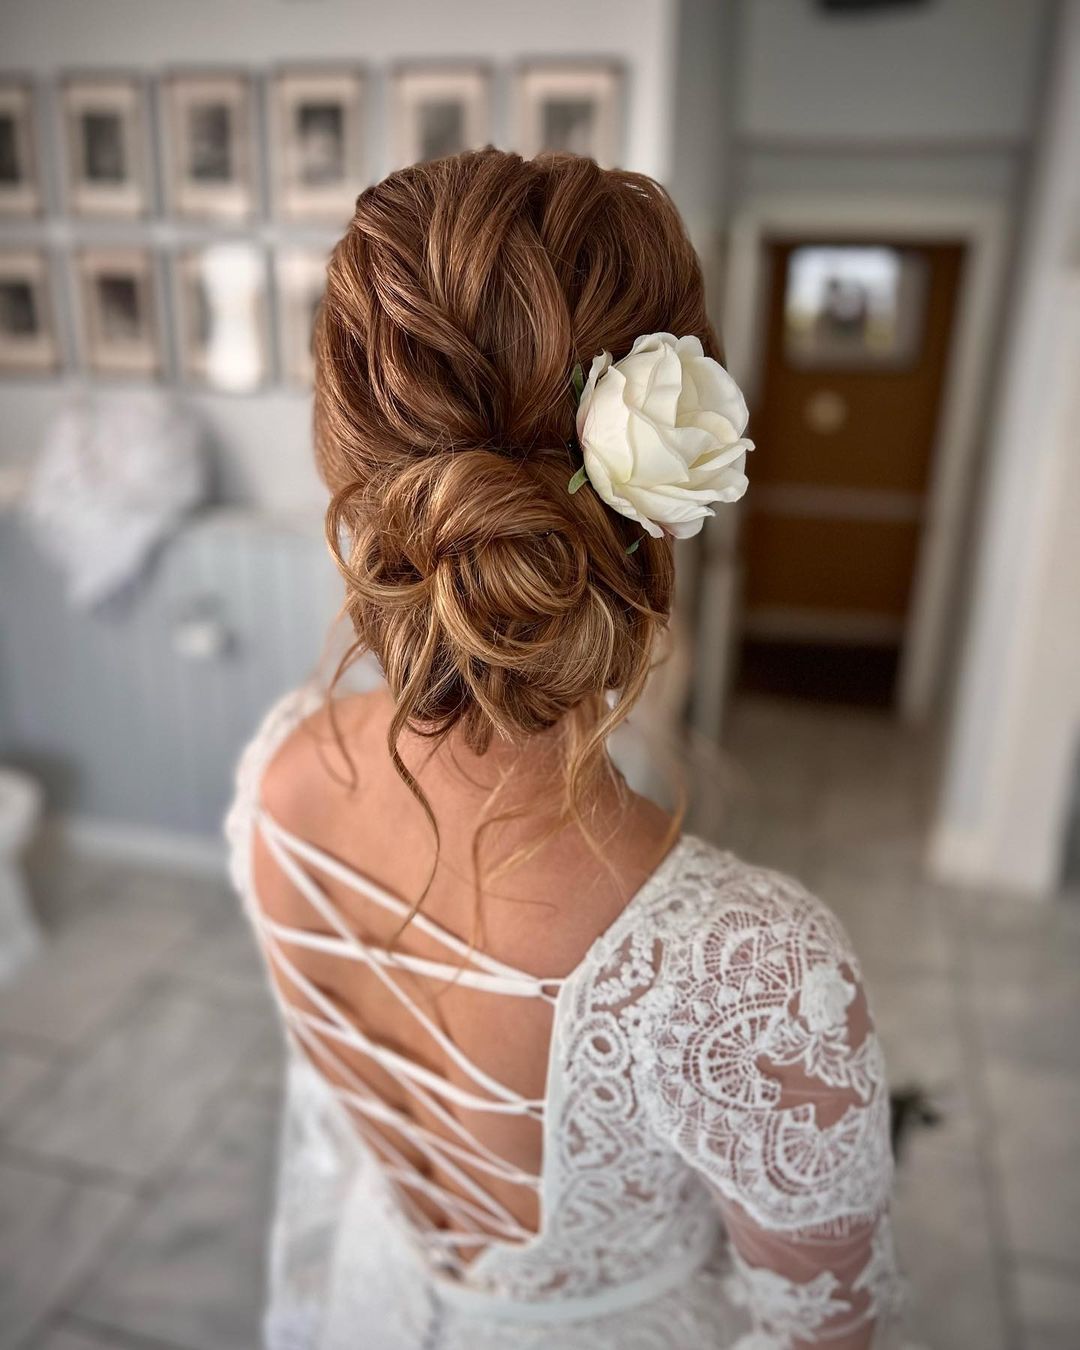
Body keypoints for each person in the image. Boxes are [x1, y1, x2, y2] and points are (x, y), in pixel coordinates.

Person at [225, 148, 901, 1350]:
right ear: (664, 497)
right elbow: (823, 1337)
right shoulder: (750, 972)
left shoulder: (277, 781)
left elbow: (334, 1141)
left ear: (347, 460)